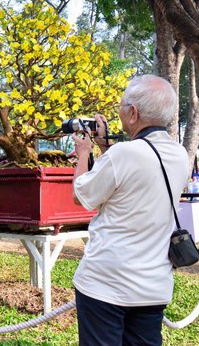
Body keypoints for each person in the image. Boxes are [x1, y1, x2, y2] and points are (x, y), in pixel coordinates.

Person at [71, 75, 189, 345]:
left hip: (107, 284)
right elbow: (134, 182)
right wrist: (104, 147)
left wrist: (83, 153)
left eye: (122, 107)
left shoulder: (123, 154)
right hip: (153, 285)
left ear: (133, 113)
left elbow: (81, 194)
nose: (120, 113)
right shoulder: (180, 155)